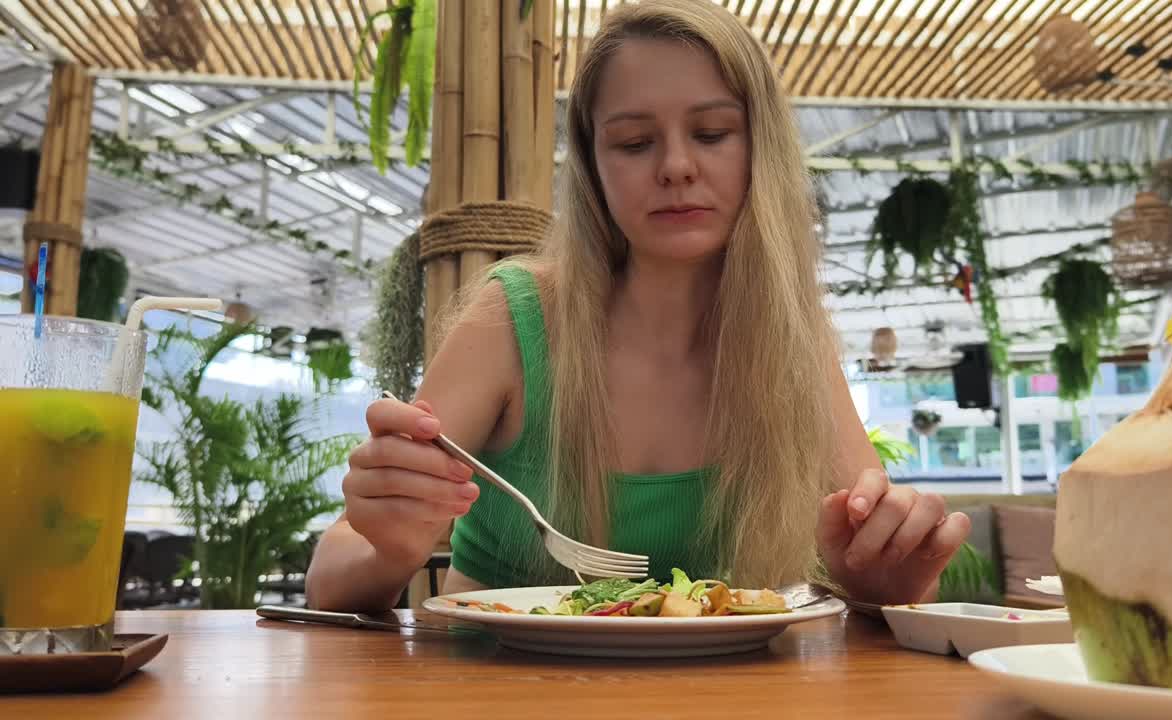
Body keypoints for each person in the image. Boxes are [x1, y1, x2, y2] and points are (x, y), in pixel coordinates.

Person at [305, 0, 970, 613]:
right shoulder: (511, 319)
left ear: (760, 149)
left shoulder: (791, 341)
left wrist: (886, 567)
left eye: (712, 133)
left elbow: (875, 557)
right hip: (497, 692)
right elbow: (331, 580)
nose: (676, 166)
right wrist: (390, 544)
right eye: (633, 143)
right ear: (593, 169)